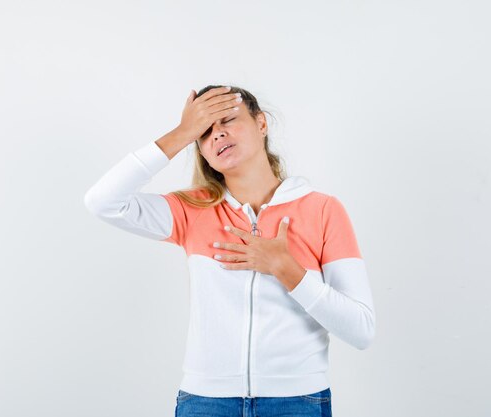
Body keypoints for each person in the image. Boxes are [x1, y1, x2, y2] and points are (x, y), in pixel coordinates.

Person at [83, 85, 376, 417]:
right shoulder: (191, 210)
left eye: (228, 120)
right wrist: (181, 133)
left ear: (261, 124)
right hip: (206, 402)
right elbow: (102, 201)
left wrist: (287, 269)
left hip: (297, 401)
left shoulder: (322, 210)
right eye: (204, 131)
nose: (217, 134)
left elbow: (361, 329)